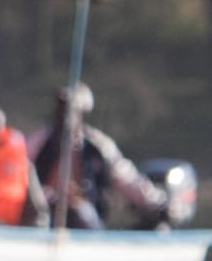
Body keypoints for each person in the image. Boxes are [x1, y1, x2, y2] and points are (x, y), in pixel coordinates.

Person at [28, 82, 167, 230]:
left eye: (71, 110)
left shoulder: (98, 147)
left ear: (82, 113)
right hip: (44, 218)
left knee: (81, 214)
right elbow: (22, 173)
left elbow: (127, 178)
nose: (64, 115)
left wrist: (158, 203)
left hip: (86, 222)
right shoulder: (40, 143)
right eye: (61, 108)